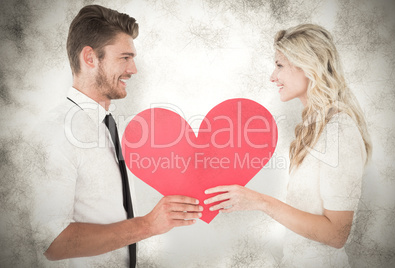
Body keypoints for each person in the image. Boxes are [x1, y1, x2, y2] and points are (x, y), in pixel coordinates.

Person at [29, 5, 203, 267]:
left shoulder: (107, 126)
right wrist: (148, 225)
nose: (133, 69)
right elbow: (52, 242)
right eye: (124, 58)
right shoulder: (56, 133)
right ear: (90, 58)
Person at [204, 24, 372, 267]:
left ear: (308, 65)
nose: (273, 76)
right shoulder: (314, 126)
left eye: (280, 65)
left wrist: (259, 202)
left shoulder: (340, 130)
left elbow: (336, 235)